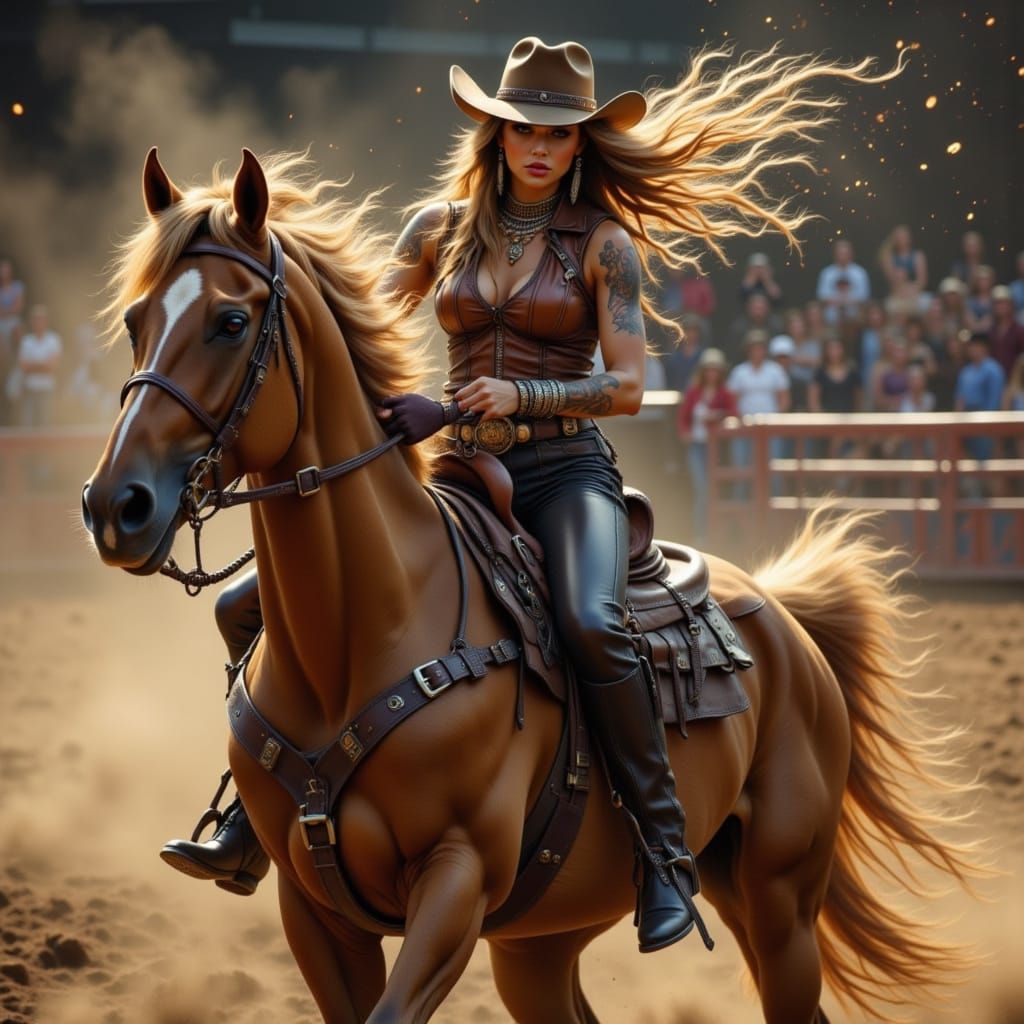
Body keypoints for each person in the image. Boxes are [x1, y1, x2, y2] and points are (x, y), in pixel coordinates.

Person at [160, 35, 895, 952]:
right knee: (242, 607)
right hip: (456, 468)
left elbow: (625, 385)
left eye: (558, 133)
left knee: (591, 622)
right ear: (495, 134)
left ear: (581, 143)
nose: (539, 147)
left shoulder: (605, 246)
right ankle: (249, 820)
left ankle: (665, 857)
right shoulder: (436, 228)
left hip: (566, 474)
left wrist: (523, 394)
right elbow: (362, 332)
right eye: (522, 129)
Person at [677, 348, 737, 543]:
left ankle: (714, 533)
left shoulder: (725, 392)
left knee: (713, 490)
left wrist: (718, 416)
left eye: (715, 369)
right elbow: (683, 418)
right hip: (696, 446)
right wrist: (685, 433)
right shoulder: (694, 392)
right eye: (709, 369)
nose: (712, 373)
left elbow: (735, 414)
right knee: (701, 489)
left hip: (716, 450)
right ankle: (700, 534)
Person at [15, 304, 62, 427]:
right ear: (32, 322)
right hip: (30, 389)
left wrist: (33, 365)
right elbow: (24, 367)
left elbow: (53, 366)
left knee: (46, 424)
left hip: (47, 388)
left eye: (41, 319)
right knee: (28, 425)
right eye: (36, 320)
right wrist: (43, 365)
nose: (38, 322)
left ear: (46, 321)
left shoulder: (54, 339)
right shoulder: (26, 341)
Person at [817, 239, 870, 326]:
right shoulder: (827, 273)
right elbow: (822, 297)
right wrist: (844, 301)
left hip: (855, 322)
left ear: (851, 254)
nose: (843, 256)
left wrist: (841, 301)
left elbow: (864, 297)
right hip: (831, 321)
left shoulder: (860, 273)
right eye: (840, 253)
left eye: (845, 253)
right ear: (835, 254)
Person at [0, 258, 26, 425]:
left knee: (15, 327)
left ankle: (17, 356)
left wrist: (7, 311)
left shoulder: (17, 287)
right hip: (2, 321)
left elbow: (18, 307)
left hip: (12, 321)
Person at [989, 285, 1024, 377]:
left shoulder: (1019, 331)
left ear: (1011, 305)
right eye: (997, 303)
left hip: (1015, 380)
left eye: (1003, 303)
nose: (1000, 307)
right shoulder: (991, 331)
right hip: (994, 380)